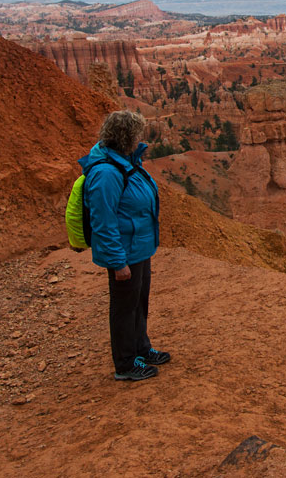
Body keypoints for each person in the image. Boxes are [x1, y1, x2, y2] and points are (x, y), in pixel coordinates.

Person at [79, 110, 169, 381]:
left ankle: (142, 348)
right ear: (126, 137)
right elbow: (103, 222)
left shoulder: (126, 162)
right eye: (137, 134)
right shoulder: (106, 173)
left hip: (139, 247)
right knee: (124, 307)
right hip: (125, 252)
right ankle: (126, 364)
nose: (140, 138)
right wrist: (118, 262)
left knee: (139, 303)